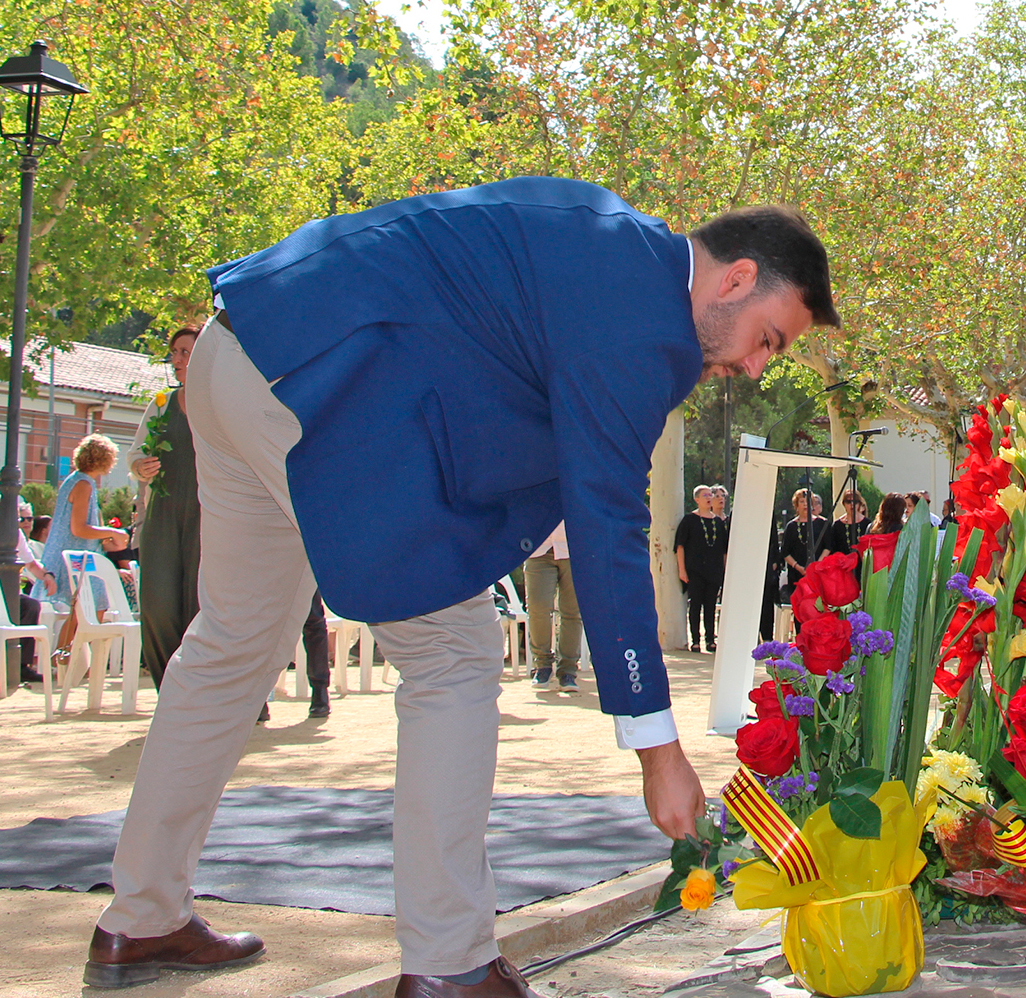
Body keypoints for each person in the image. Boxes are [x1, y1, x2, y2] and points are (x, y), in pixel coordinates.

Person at [85, 182, 838, 995]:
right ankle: (449, 963)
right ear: (734, 277)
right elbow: (606, 518)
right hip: (316, 384)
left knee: (230, 641)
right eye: (768, 340)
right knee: (455, 653)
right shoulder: (643, 314)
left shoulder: (603, 231)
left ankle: (142, 914)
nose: (756, 368)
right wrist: (658, 751)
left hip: (242, 349)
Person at [126, 326, 204, 690]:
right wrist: (139, 466)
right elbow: (135, 453)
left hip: (210, 517)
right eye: (174, 352)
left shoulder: (221, 402)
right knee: (157, 604)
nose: (176, 360)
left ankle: (213, 695)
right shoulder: (160, 403)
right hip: (162, 516)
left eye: (185, 352)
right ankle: (169, 692)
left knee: (201, 608)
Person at [39, 435, 132, 655]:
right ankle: (66, 661)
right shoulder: (82, 484)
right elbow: (78, 529)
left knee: (83, 613)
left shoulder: (77, 480)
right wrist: (113, 532)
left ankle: (70, 662)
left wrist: (108, 539)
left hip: (75, 556)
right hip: (73, 559)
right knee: (88, 612)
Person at [522, 521, 583, 692]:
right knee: (538, 609)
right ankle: (542, 666)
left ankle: (568, 671)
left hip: (574, 548)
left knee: (572, 612)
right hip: (537, 548)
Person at [673, 486, 728, 652]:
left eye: (710, 495)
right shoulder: (689, 520)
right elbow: (680, 546)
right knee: (695, 604)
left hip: (714, 570)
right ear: (697, 499)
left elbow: (724, 549)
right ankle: (695, 640)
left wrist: (725, 571)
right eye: (705, 495)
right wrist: (682, 570)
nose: (709, 498)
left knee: (711, 605)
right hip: (695, 569)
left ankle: (710, 639)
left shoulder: (718, 522)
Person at [12, 501, 54, 683]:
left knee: (30, 606)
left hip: (8, 593)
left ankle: (22, 666)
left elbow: (30, 564)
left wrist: (46, 576)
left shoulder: (16, 534)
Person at [779, 486, 827, 596]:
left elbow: (828, 546)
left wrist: (816, 565)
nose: (805, 504)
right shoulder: (791, 526)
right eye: (802, 501)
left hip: (817, 572)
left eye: (808, 501)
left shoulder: (821, 523)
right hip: (796, 574)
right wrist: (798, 567)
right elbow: (785, 552)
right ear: (796, 505)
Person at [824, 489, 869, 555]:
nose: (852, 504)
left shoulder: (867, 523)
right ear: (844, 504)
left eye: (855, 501)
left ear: (859, 503)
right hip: (843, 562)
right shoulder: (837, 525)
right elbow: (833, 549)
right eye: (848, 501)